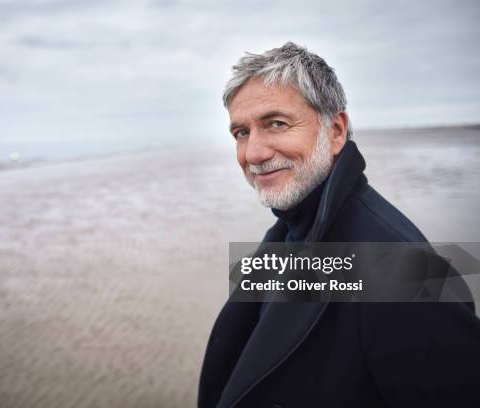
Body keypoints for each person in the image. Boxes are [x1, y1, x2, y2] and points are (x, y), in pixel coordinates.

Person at [198, 42, 480, 408]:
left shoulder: (407, 274)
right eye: (241, 133)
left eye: (277, 124)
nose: (253, 153)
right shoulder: (288, 233)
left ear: (335, 132)